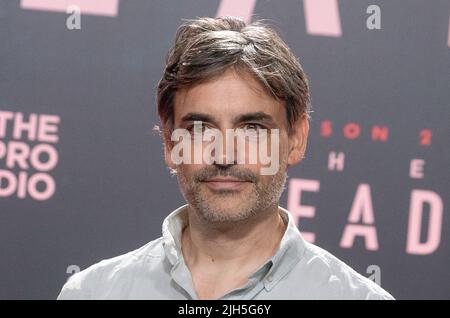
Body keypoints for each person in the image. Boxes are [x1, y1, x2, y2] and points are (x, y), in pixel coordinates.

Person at [58, 16, 394, 300]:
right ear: (169, 143)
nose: (224, 154)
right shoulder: (92, 293)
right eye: (201, 128)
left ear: (296, 139)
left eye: (251, 128)